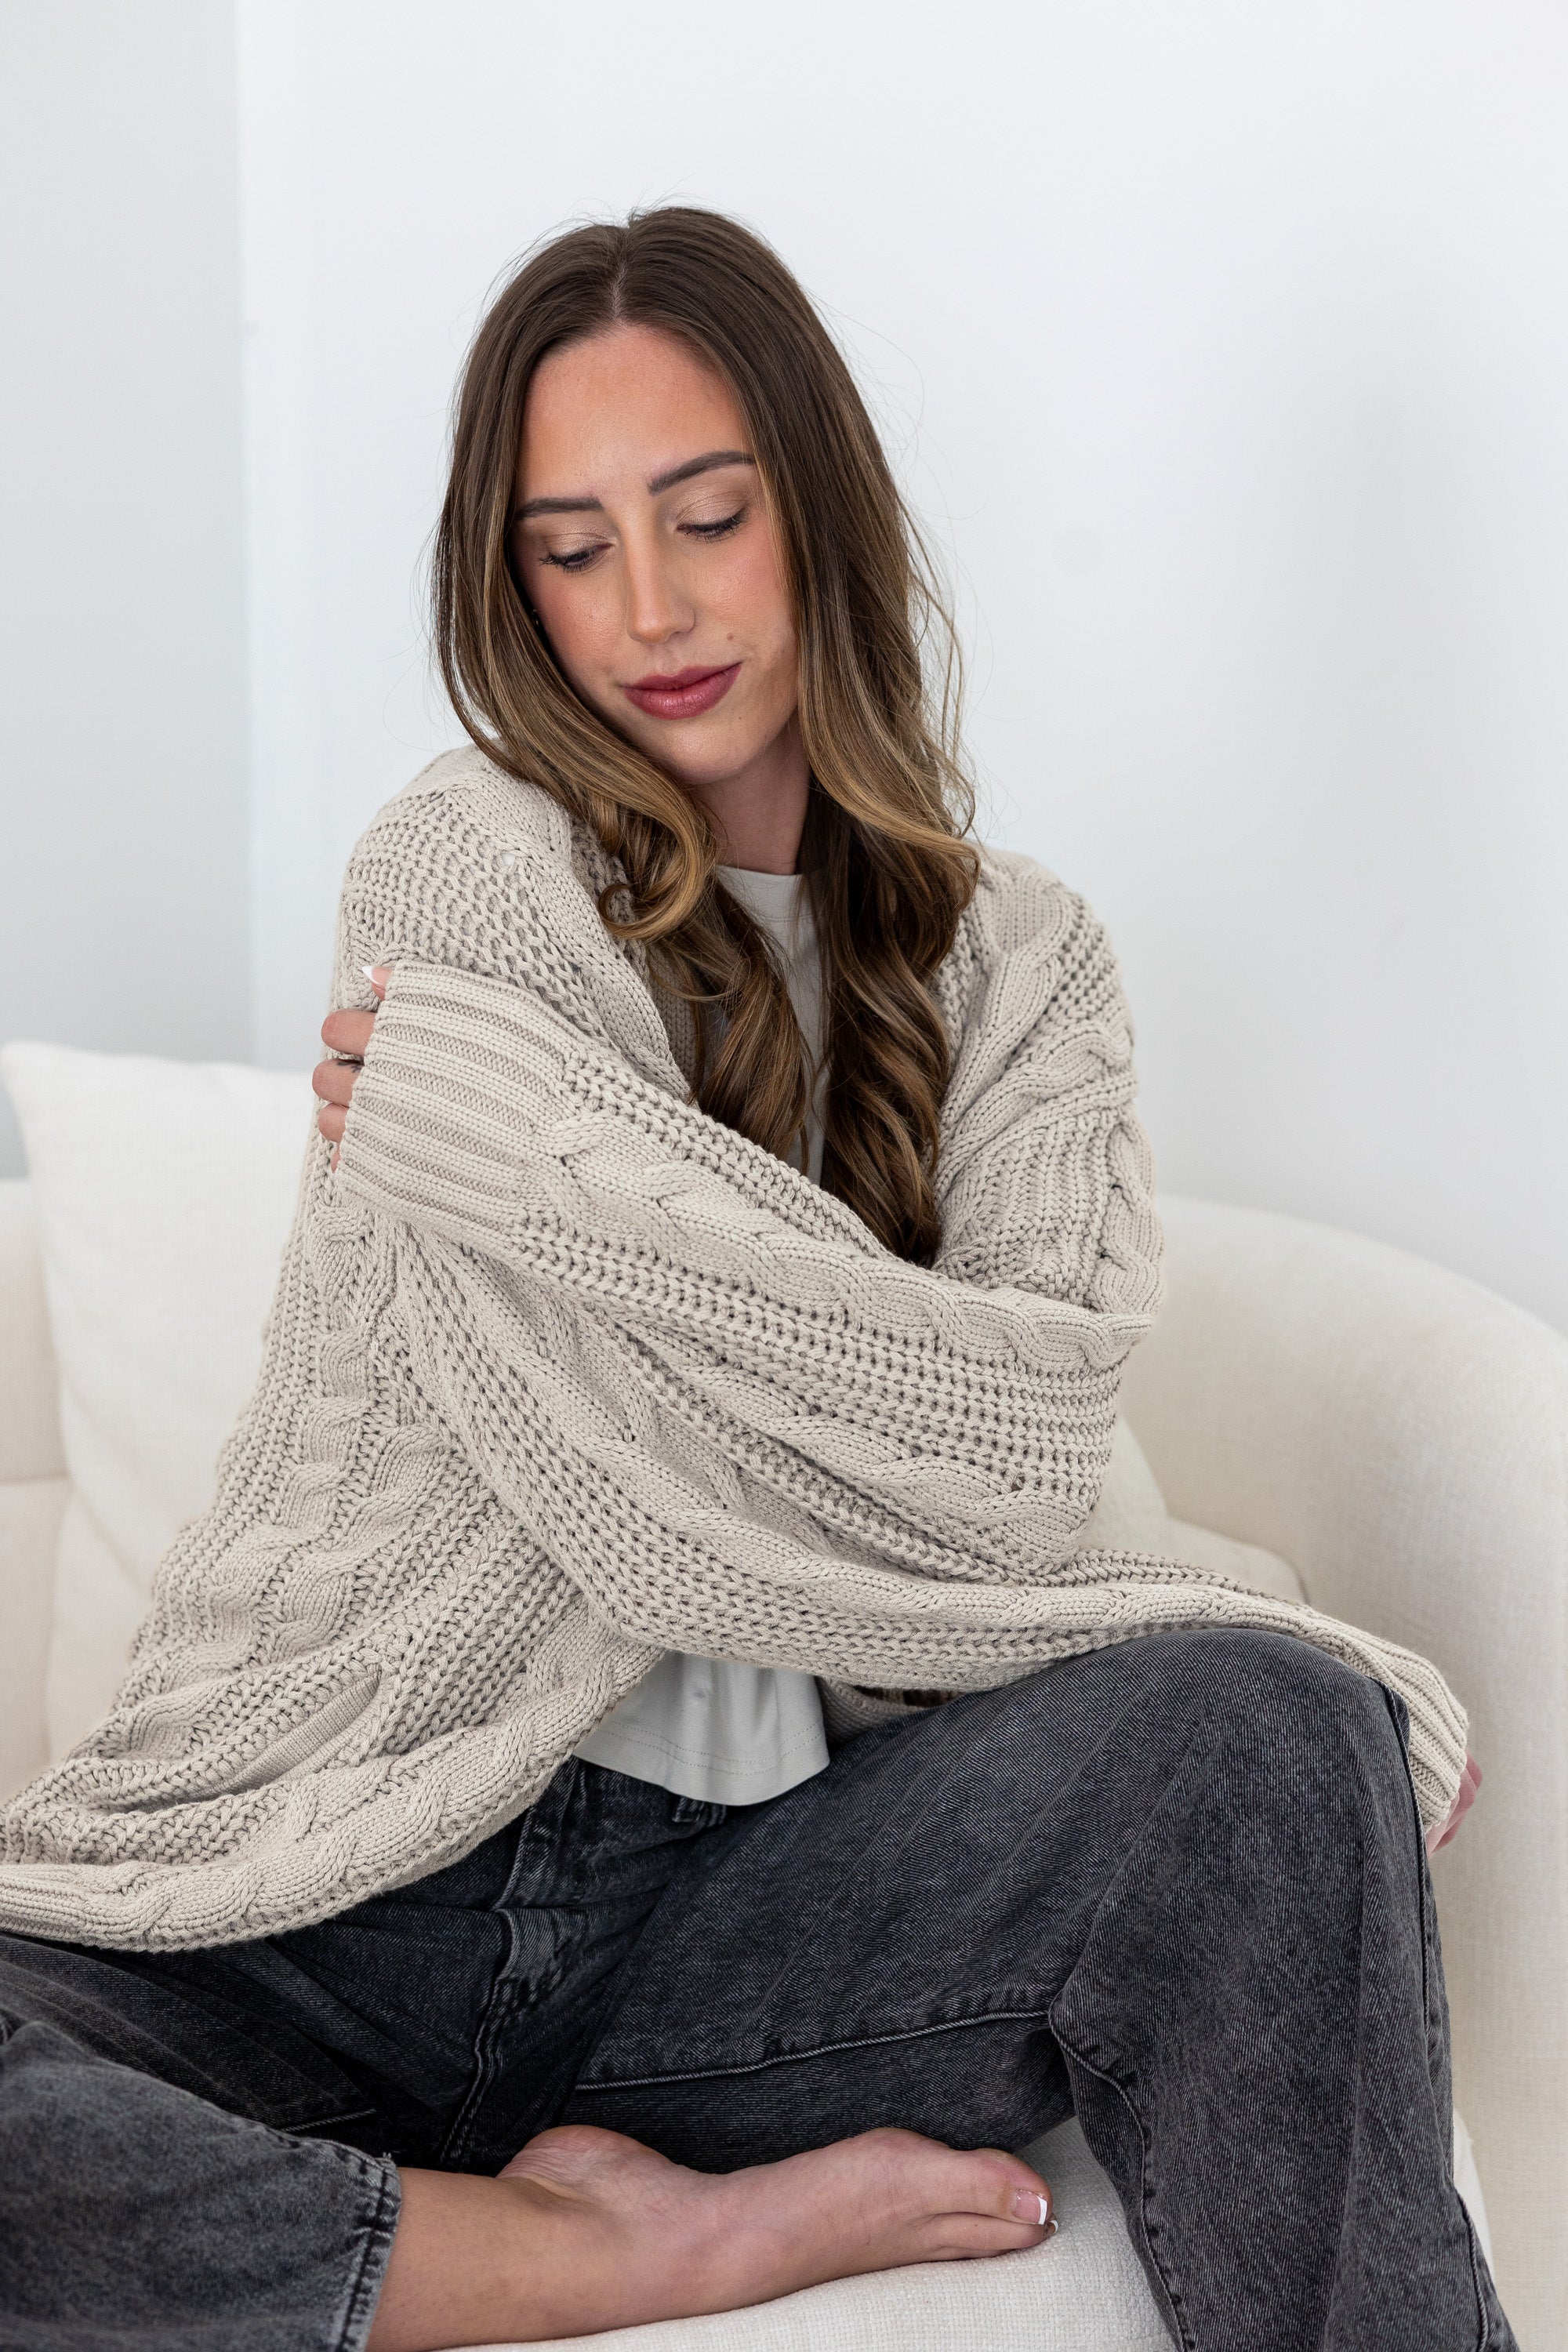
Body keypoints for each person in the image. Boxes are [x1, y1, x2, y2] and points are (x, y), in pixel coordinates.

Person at [0, 207, 1502, 2352]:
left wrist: (525, 1153)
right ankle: (606, 2249)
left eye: (706, 515)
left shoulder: (1028, 971)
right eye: (571, 546)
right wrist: (893, 1378)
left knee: (1265, 1732)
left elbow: (1013, 1469)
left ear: (815, 505)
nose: (652, 609)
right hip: (336, 1894)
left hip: (773, 1920)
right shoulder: (463, 871)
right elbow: (629, 1473)